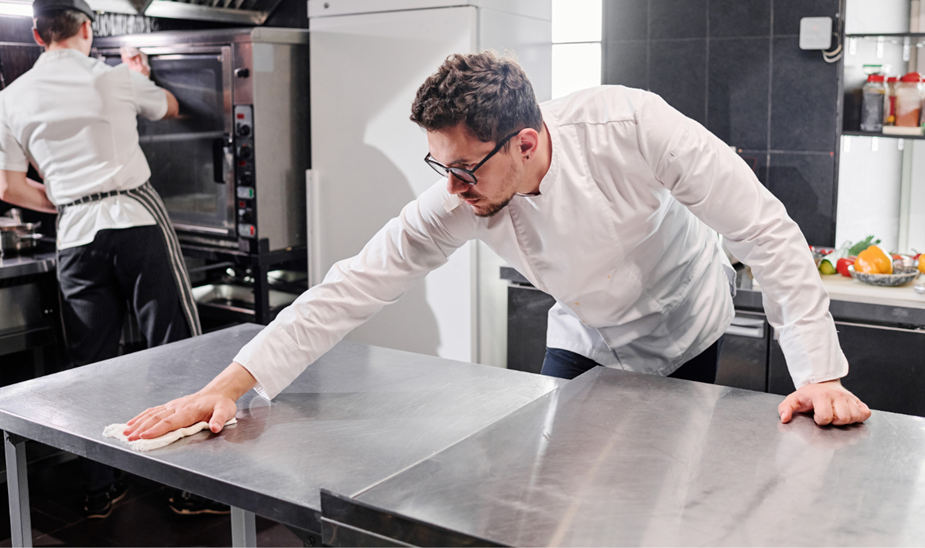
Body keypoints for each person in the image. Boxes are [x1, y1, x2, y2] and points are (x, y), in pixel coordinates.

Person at [124, 50, 871, 444]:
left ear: (524, 140)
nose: (450, 187)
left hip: (686, 322)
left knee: (669, 485)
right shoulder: (468, 192)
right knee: (554, 488)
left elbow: (764, 231)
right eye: (438, 166)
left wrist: (822, 373)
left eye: (462, 168)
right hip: (586, 334)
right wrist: (226, 387)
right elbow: (353, 284)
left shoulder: (634, 126)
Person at [0, 0, 207, 518]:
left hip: (74, 236)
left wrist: (68, 199)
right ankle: (188, 488)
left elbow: (7, 185)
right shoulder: (111, 77)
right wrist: (140, 75)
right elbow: (171, 107)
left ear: (36, 33)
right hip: (136, 221)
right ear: (88, 28)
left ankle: (99, 492)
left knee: (89, 367)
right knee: (173, 350)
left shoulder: (10, 97)